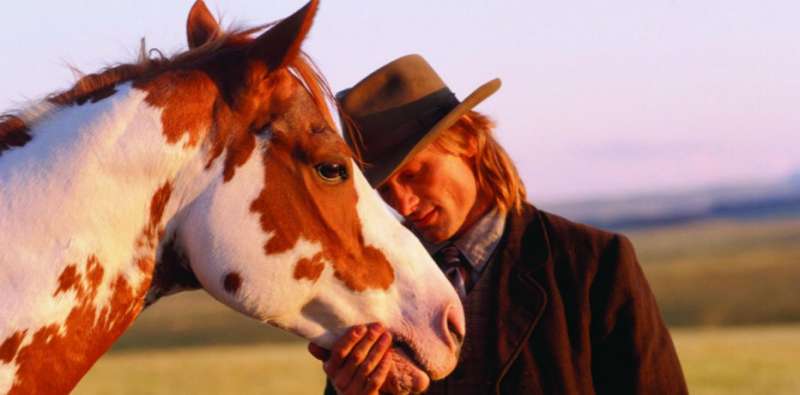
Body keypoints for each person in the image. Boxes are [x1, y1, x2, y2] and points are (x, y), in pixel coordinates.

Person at [307, 54, 688, 394]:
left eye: (415, 174)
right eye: (384, 189)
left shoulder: (593, 264)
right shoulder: (375, 278)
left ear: (468, 139)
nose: (403, 203)